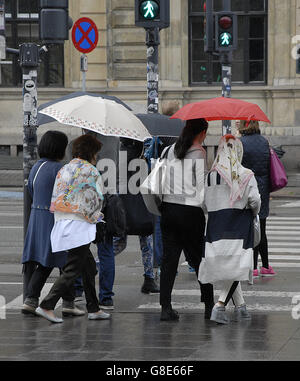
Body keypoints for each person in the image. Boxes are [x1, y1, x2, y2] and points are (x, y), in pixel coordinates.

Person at [35, 134, 110, 323]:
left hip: (62, 223)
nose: (97, 157)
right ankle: (47, 304)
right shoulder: (91, 171)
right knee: (73, 269)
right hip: (79, 226)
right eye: (97, 153)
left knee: (88, 267)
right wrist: (98, 217)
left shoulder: (65, 169)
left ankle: (93, 308)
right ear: (91, 152)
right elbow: (96, 200)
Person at [198, 134, 261, 324]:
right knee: (238, 266)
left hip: (216, 227)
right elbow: (255, 201)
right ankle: (220, 304)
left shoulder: (209, 177)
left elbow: (202, 202)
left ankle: (241, 307)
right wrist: (253, 212)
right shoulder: (246, 175)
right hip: (239, 227)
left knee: (233, 267)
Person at [159, 118, 214, 321]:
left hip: (168, 210)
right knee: (199, 260)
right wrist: (208, 212)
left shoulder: (170, 149)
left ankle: (165, 307)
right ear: (202, 132)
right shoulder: (199, 152)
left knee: (169, 262)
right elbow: (202, 189)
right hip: (190, 212)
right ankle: (209, 305)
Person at [21, 131, 80, 316]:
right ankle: (68, 303)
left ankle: (31, 300)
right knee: (65, 262)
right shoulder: (61, 169)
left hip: (38, 218)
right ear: (60, 149)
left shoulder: (36, 167)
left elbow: (30, 189)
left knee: (46, 261)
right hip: (55, 219)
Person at [237, 120, 276, 277]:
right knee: (262, 228)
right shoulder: (264, 142)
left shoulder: (240, 143)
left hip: (246, 187)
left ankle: (252, 267)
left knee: (249, 228)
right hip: (263, 188)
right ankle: (265, 266)